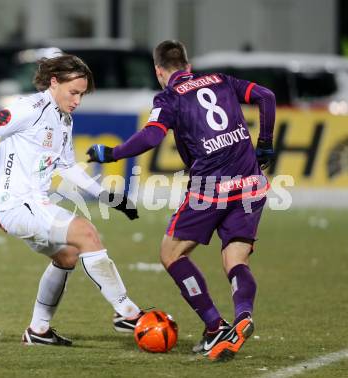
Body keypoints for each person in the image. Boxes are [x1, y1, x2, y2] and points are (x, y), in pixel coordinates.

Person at [0, 54, 144, 346]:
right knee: (86, 233)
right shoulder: (28, 108)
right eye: (74, 92)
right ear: (54, 82)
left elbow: (66, 165)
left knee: (67, 255)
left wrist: (106, 196)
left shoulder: (64, 118)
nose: (77, 101)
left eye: (82, 95)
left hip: (31, 205)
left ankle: (39, 330)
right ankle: (127, 311)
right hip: (17, 204)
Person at [87, 40, 276, 361]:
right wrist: (266, 143)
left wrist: (112, 153)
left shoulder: (169, 97)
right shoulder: (222, 81)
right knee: (236, 261)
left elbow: (151, 135)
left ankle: (215, 326)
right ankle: (243, 315)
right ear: (187, 66)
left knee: (171, 254)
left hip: (211, 188)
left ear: (160, 71)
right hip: (251, 183)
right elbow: (266, 96)